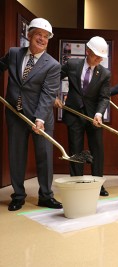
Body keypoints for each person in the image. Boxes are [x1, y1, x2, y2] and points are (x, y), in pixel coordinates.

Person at [0, 18, 62, 211]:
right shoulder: (14, 53)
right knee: (16, 155)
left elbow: (47, 95)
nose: (42, 39)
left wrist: (40, 119)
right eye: (38, 35)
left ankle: (46, 195)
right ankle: (18, 195)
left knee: (44, 156)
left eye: (45, 37)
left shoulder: (52, 65)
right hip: (15, 114)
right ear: (29, 35)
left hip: (39, 117)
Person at [54, 36, 111, 196]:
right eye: (96, 55)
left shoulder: (104, 73)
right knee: (75, 150)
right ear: (87, 51)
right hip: (74, 114)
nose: (99, 59)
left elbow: (105, 97)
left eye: (101, 57)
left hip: (94, 117)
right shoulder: (72, 65)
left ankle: (98, 183)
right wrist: (54, 96)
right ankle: (77, 182)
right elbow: (53, 78)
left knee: (97, 150)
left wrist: (99, 113)